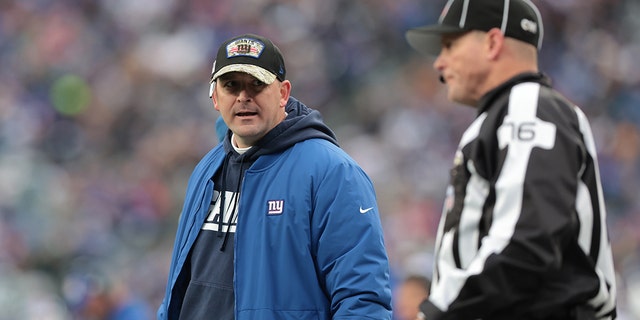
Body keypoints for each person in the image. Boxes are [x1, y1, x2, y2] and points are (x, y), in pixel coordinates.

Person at [404, 0, 617, 319]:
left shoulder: (527, 108)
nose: (439, 63)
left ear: (492, 42)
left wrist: (440, 312)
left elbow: (526, 241)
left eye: (450, 45)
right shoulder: (506, 115)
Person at [157, 33, 393, 320]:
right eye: (231, 85)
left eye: (257, 84)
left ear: (283, 93)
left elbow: (362, 298)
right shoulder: (207, 168)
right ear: (215, 97)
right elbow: (179, 288)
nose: (244, 96)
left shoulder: (331, 172)